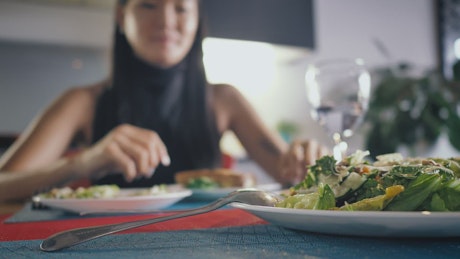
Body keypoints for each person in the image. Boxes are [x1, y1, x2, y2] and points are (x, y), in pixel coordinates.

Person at [0, 0, 327, 202]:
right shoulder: (82, 102)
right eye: (148, 4)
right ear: (120, 15)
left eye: (181, 7)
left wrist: (304, 159)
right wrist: (82, 162)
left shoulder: (225, 99)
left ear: (197, 16)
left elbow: (292, 173)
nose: (166, 20)